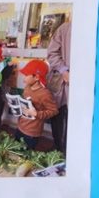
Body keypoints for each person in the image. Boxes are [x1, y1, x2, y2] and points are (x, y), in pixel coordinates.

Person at [9, 58, 58, 154]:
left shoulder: (45, 94)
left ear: (36, 77)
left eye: (27, 75)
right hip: (20, 126)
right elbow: (25, 102)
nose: (24, 78)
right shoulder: (27, 87)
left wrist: (37, 114)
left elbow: (54, 110)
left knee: (25, 154)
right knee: (15, 150)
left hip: (32, 132)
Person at [43, 17, 70, 158]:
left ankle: (68, 152)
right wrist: (64, 70)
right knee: (58, 115)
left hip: (84, 88)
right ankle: (59, 150)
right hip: (62, 84)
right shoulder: (65, 28)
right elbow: (52, 53)